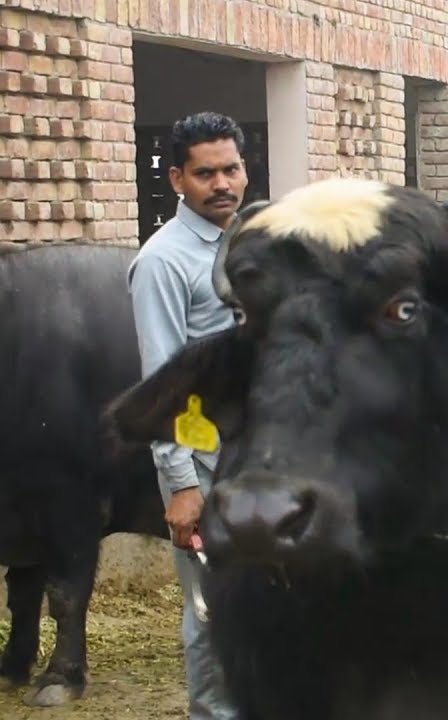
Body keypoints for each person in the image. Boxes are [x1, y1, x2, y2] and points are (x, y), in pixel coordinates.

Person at [127, 111, 247, 720]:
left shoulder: (255, 242)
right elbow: (162, 383)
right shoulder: (163, 263)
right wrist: (180, 487)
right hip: (201, 467)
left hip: (257, 457)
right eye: (205, 173)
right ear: (177, 178)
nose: (221, 183)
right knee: (212, 610)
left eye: (231, 169)